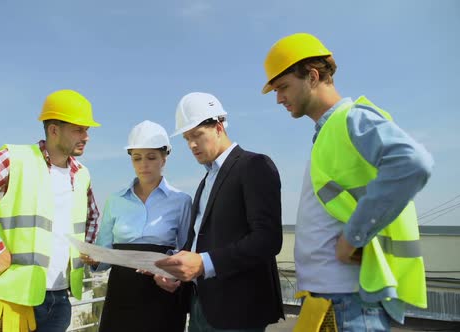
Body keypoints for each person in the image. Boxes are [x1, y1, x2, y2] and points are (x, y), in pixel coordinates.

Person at [261, 33, 434, 331]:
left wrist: (353, 236)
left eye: (283, 87)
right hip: (330, 301)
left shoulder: (351, 119)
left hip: (350, 305)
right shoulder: (328, 134)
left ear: (313, 77)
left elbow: (413, 162)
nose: (278, 98)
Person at [0, 89, 101, 331]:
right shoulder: (15, 160)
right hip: (15, 300)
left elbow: (92, 217)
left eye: (87, 130)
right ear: (54, 129)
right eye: (79, 129)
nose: (86, 136)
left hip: (61, 300)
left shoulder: (82, 174)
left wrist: (87, 250)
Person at [155, 92, 284, 332]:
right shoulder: (206, 181)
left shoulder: (254, 165)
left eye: (197, 135)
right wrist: (175, 269)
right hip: (200, 304)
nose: (192, 145)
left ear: (218, 126)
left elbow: (268, 239)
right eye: (186, 138)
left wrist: (204, 264)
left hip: (238, 311)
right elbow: (199, 241)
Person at [81, 120, 192, 332]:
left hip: (162, 291)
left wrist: (171, 273)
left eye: (151, 157)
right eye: (137, 158)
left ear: (164, 158)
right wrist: (94, 259)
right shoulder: (115, 200)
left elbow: (186, 250)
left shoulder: (181, 201)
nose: (144, 165)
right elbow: (105, 252)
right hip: (121, 293)